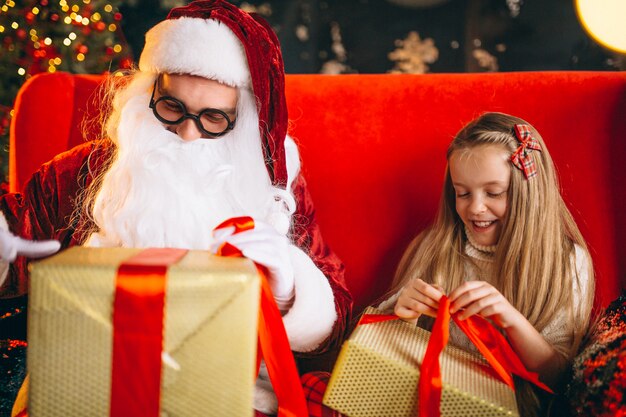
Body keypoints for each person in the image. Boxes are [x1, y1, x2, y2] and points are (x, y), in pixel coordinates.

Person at [0, 0, 352, 415]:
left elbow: (336, 313)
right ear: (149, 91)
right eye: (172, 108)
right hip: (90, 377)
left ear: (245, 117)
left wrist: (290, 288)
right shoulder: (79, 171)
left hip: (233, 385)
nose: (187, 133)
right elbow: (17, 243)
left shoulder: (274, 182)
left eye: (213, 118)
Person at [377, 112, 595, 416]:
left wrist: (511, 320)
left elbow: (561, 378)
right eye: (462, 193)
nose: (476, 208)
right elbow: (384, 357)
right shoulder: (436, 247)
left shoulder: (567, 262)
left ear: (527, 194)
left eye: (494, 193)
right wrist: (405, 315)